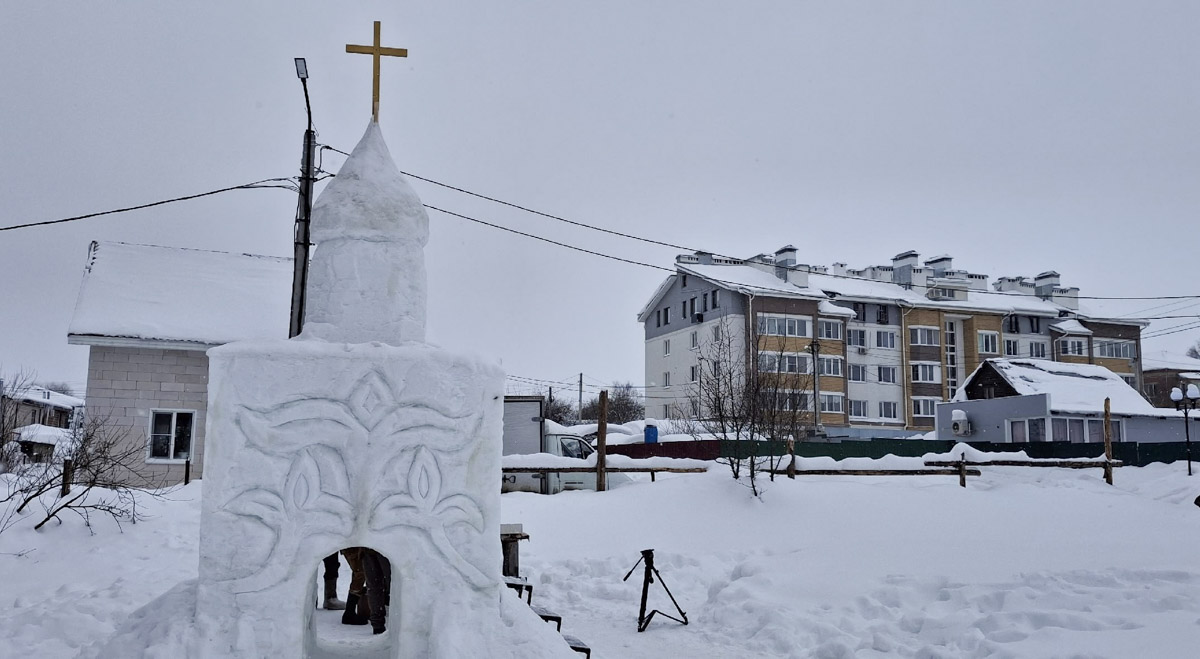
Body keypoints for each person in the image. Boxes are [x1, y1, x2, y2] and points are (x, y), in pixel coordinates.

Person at [361, 548, 391, 634]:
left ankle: (377, 625)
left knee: (374, 586)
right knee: (393, 584)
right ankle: (400, 622)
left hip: (368, 547)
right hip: (387, 547)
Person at [340, 547, 371, 625]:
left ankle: (350, 612)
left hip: (353, 546)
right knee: (360, 573)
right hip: (353, 546)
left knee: (359, 573)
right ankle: (349, 613)